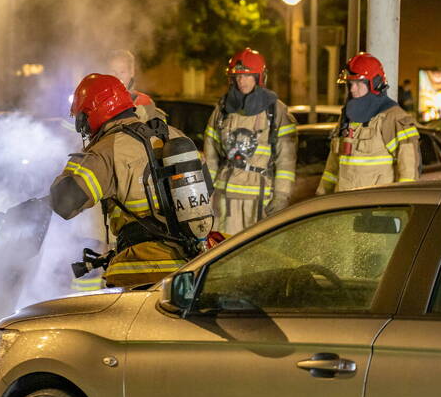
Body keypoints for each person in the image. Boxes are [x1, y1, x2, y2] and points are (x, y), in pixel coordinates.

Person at [49, 73, 193, 287]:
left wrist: (79, 161)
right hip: (189, 264)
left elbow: (64, 203)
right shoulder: (174, 134)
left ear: (95, 113)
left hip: (141, 268)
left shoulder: (107, 150)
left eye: (83, 119)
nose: (84, 128)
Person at [203, 48, 297, 236]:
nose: (241, 81)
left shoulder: (276, 111)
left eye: (246, 76)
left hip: (260, 199)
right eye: (237, 76)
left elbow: (285, 160)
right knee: (223, 251)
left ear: (258, 77)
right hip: (225, 198)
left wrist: (281, 196)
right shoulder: (222, 110)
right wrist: (205, 192)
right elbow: (211, 156)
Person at [316, 52, 420, 195]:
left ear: (375, 83)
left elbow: (408, 173)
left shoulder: (392, 118)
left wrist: (399, 206)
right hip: (343, 207)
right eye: (350, 84)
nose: (352, 89)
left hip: (376, 210)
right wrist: (321, 197)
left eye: (358, 83)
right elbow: (332, 166)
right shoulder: (347, 118)